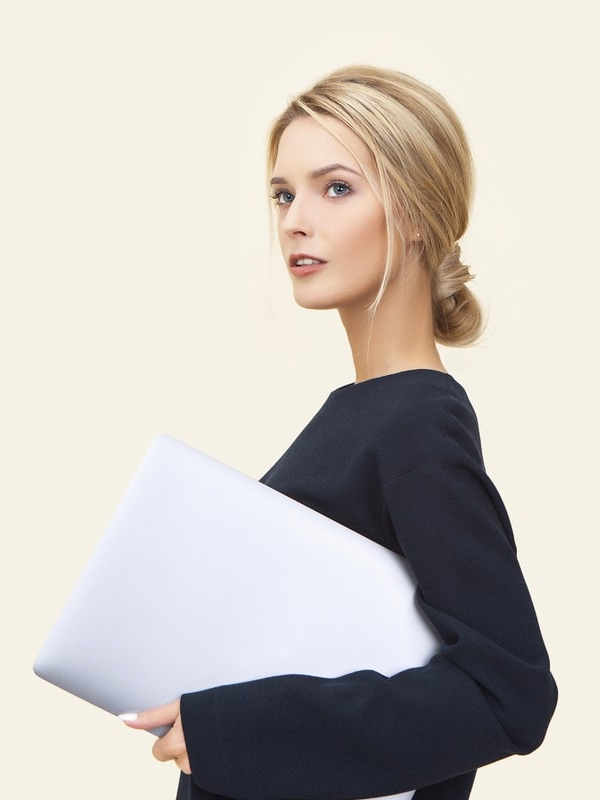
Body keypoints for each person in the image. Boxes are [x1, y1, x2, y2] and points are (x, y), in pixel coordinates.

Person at [121, 65, 558, 799]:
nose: (294, 219)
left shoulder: (417, 425)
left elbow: (507, 691)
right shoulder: (368, 413)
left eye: (337, 188)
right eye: (283, 194)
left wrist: (237, 730)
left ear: (416, 211)